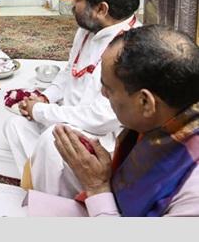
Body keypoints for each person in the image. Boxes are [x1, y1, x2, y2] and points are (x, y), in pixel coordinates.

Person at [3, 0, 147, 198]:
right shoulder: (86, 31)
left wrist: (41, 111)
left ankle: (57, 204)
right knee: (14, 125)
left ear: (101, 8)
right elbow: (69, 71)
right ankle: (44, 192)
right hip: (66, 118)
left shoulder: (133, 47)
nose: (72, 5)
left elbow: (102, 119)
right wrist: (44, 97)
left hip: (102, 139)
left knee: (51, 140)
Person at [27, 25, 199, 216]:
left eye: (109, 88)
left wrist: (98, 187)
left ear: (145, 103)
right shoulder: (171, 115)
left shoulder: (193, 194)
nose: (102, 93)